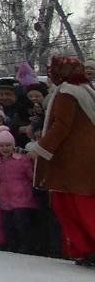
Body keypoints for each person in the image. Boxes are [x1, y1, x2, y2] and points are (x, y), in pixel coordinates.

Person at [27, 56, 95, 266]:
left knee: (72, 205)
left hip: (71, 159)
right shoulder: (86, 90)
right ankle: (85, 250)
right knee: (81, 204)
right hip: (83, 157)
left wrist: (40, 148)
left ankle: (84, 248)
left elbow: (61, 126)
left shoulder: (67, 93)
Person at [0, 129, 37, 254]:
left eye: (8, 145)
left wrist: (37, 183)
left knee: (21, 223)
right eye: (2, 146)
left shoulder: (22, 160)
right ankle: (12, 244)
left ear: (13, 145)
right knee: (8, 224)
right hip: (5, 198)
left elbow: (31, 176)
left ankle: (25, 245)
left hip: (22, 197)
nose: (5, 148)